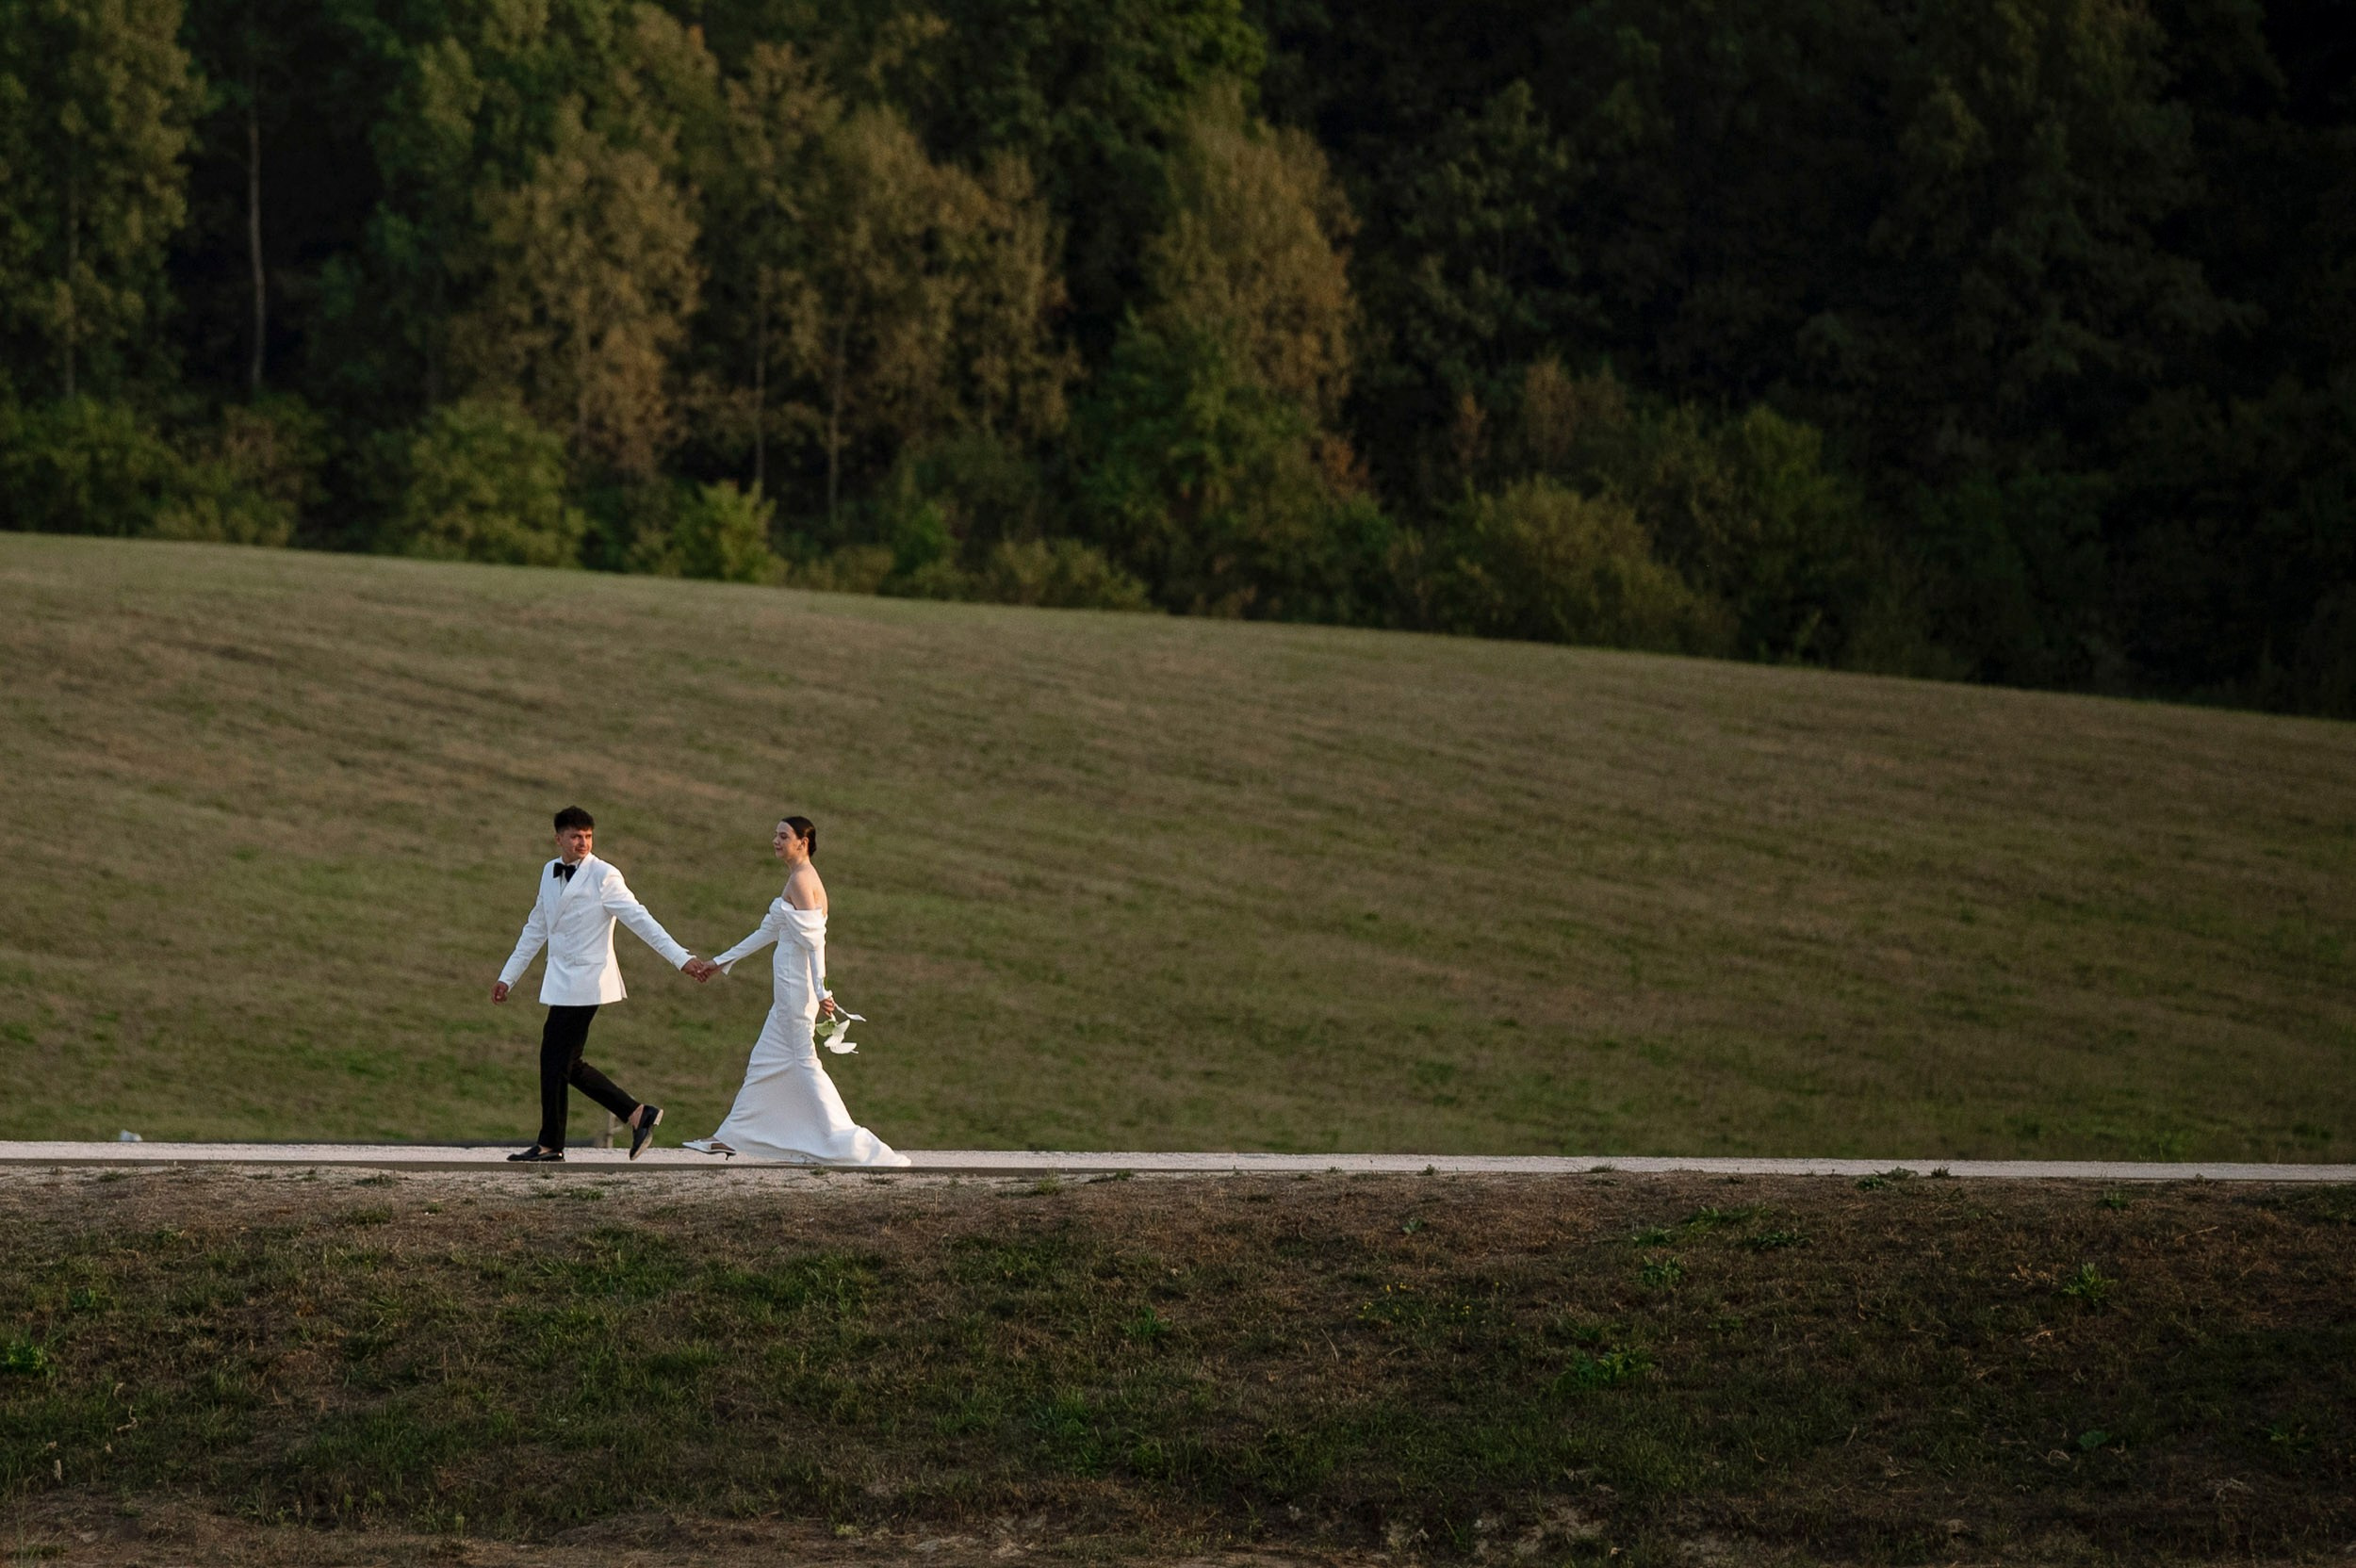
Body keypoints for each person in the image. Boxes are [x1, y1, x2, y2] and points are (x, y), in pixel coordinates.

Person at [493, 806, 715, 1162]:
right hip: (561, 981)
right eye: (575, 837)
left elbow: (641, 920)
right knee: (566, 1063)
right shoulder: (549, 873)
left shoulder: (604, 875)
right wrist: (508, 977)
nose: (583, 843)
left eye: (588, 837)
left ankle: (551, 1144)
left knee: (554, 1060)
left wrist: (682, 959)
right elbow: (536, 927)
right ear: (559, 839)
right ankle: (637, 1113)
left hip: (588, 981)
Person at [683, 815, 908, 1166]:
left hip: (796, 988)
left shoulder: (803, 881)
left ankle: (847, 1141)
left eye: (783, 836)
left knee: (804, 1062)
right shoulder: (796, 879)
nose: (775, 840)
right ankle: (729, 1137)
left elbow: (815, 942)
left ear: (803, 843)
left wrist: (821, 990)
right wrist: (719, 962)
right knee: (763, 1063)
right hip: (788, 990)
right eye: (775, 834)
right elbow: (767, 932)